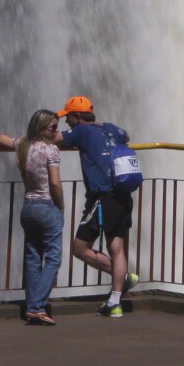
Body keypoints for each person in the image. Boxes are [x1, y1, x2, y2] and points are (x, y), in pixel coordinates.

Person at [57, 95, 139, 318]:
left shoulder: (81, 132)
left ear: (77, 117)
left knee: (79, 248)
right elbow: (127, 136)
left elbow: (54, 138)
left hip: (102, 198)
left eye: (68, 117)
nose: (66, 122)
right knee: (117, 249)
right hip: (122, 195)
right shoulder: (111, 128)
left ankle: (120, 283)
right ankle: (115, 302)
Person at [0, 110, 66, 326]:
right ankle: (37, 306)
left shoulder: (24, 145)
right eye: (53, 127)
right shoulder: (51, 150)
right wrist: (61, 206)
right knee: (53, 259)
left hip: (28, 207)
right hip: (46, 206)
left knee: (33, 257)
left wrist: (19, 139)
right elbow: (54, 182)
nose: (56, 131)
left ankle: (31, 306)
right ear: (41, 128)